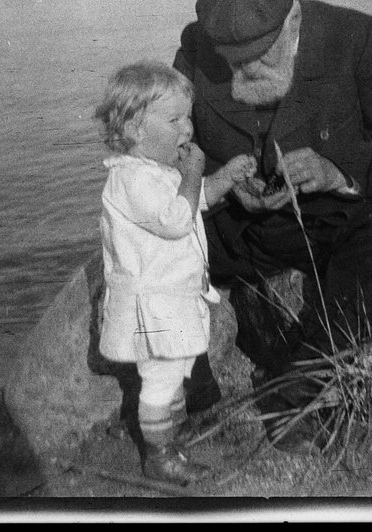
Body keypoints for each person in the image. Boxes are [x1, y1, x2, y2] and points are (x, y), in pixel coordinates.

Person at [174, 0, 372, 446]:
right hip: (241, 228)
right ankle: (188, 391)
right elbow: (171, 154)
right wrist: (221, 182)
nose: (248, 69)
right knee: (158, 229)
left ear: (294, 19)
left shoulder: (356, 37)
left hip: (335, 221)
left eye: (262, 55)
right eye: (235, 60)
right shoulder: (196, 46)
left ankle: (302, 383)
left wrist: (336, 171)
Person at [93, 61, 257, 485]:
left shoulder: (157, 173)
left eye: (188, 117)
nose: (187, 128)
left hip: (170, 299)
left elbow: (192, 201)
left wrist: (223, 178)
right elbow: (175, 219)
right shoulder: (131, 180)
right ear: (134, 130)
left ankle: (169, 435)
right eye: (174, 120)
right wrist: (194, 172)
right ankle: (159, 456)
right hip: (152, 306)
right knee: (162, 379)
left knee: (174, 372)